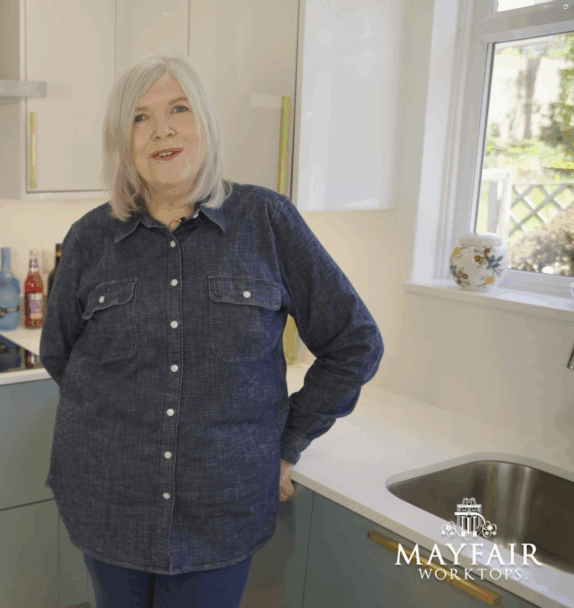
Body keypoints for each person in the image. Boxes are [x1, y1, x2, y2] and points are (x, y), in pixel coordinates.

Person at [40, 53, 384, 608]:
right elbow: (60, 355)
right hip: (108, 499)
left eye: (178, 108)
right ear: (122, 140)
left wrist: (288, 443)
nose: (163, 130)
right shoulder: (90, 239)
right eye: (139, 117)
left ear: (204, 121)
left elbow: (354, 342)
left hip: (222, 506)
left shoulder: (267, 222)